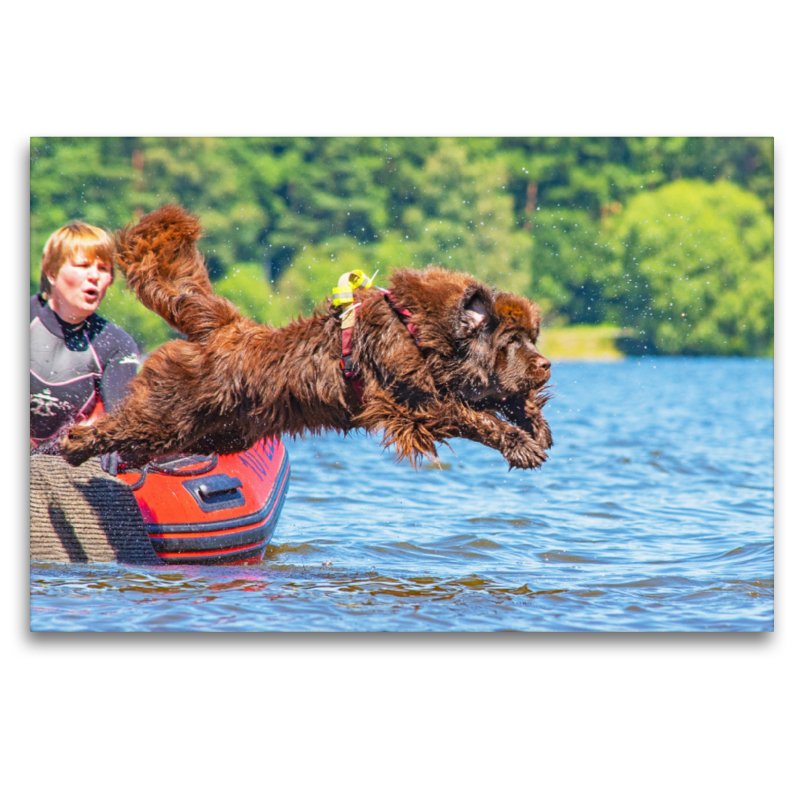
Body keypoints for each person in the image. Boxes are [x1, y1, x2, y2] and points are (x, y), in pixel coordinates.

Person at [30, 221, 139, 455]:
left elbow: (125, 432)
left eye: (103, 268)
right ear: (52, 272)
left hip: (63, 470)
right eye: (83, 265)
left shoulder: (117, 344)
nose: (94, 276)